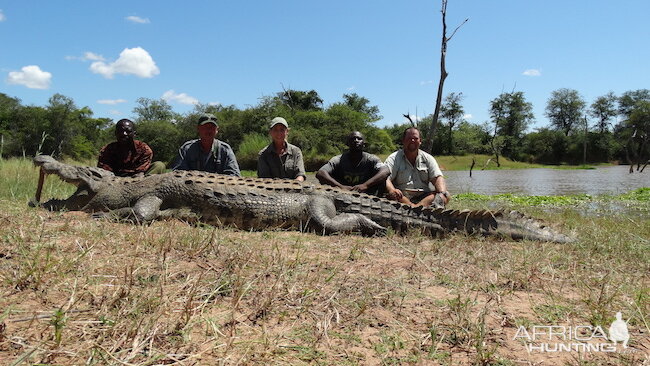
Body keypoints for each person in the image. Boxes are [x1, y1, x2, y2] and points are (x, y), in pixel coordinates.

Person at [384, 127, 450, 208]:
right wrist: (392, 190)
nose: (412, 141)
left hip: (424, 197)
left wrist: (441, 192)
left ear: (420, 141)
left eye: (415, 138)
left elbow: (438, 178)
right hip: (402, 197)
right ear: (403, 141)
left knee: (445, 195)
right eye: (409, 138)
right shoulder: (393, 158)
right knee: (391, 195)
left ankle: (416, 208)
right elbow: (386, 178)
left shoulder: (428, 158)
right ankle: (417, 209)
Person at [316, 131, 390, 196]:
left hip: (367, 196)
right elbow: (321, 173)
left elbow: (385, 171)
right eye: (352, 139)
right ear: (347, 144)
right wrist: (340, 187)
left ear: (364, 144)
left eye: (359, 139)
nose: (356, 140)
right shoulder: (338, 160)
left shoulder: (372, 159)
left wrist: (365, 185)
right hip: (341, 195)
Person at [172, 113, 241, 176]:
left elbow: (235, 175)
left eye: (212, 127)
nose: (209, 130)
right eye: (205, 127)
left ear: (217, 130)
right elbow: (177, 175)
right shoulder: (186, 148)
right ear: (198, 129)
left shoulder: (225, 149)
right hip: (191, 188)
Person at [97, 118, 166, 177]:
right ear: (116, 133)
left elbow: (141, 171)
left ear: (134, 134)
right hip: (114, 180)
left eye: (128, 131)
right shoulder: (107, 149)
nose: (124, 134)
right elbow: (104, 171)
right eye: (120, 131)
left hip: (139, 180)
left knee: (159, 165)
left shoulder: (144, 149)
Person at [257, 117, 306, 181]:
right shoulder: (263, 154)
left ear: (287, 131)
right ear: (270, 132)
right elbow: (264, 178)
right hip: (271, 189)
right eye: (275, 130)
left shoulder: (296, 152)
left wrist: (295, 185)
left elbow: (300, 174)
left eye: (282, 130)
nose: (279, 133)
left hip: (293, 189)